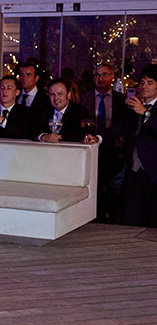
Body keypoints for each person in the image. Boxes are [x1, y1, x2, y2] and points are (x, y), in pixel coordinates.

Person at [102, 65, 157, 227]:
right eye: (142, 82)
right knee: (130, 219)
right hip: (132, 171)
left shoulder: (141, 109)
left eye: (149, 82)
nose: (144, 86)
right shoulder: (132, 107)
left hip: (153, 174)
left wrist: (145, 113)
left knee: (152, 221)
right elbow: (118, 128)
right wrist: (97, 138)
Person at [80, 62, 127, 222]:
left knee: (113, 188)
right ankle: (94, 217)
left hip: (113, 149)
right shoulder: (84, 97)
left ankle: (112, 218)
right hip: (89, 149)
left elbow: (122, 125)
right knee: (95, 186)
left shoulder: (121, 99)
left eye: (104, 74)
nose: (100, 78)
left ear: (112, 77)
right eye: (97, 75)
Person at [36, 79, 92, 143]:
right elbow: (32, 130)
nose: (56, 98)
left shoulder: (80, 111)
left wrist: (58, 137)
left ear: (68, 95)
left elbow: (79, 134)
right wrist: (43, 136)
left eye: (60, 94)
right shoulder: (42, 110)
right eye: (52, 94)